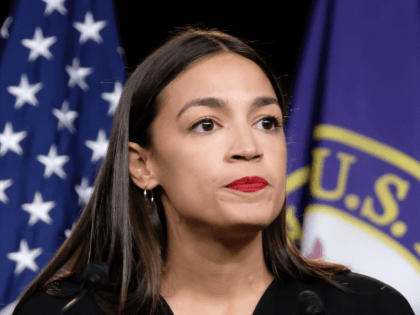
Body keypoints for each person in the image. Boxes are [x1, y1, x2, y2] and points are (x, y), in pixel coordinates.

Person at [11, 25, 414, 315]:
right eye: (207, 124)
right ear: (142, 165)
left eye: (266, 122)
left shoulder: (371, 307)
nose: (249, 148)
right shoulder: (64, 311)